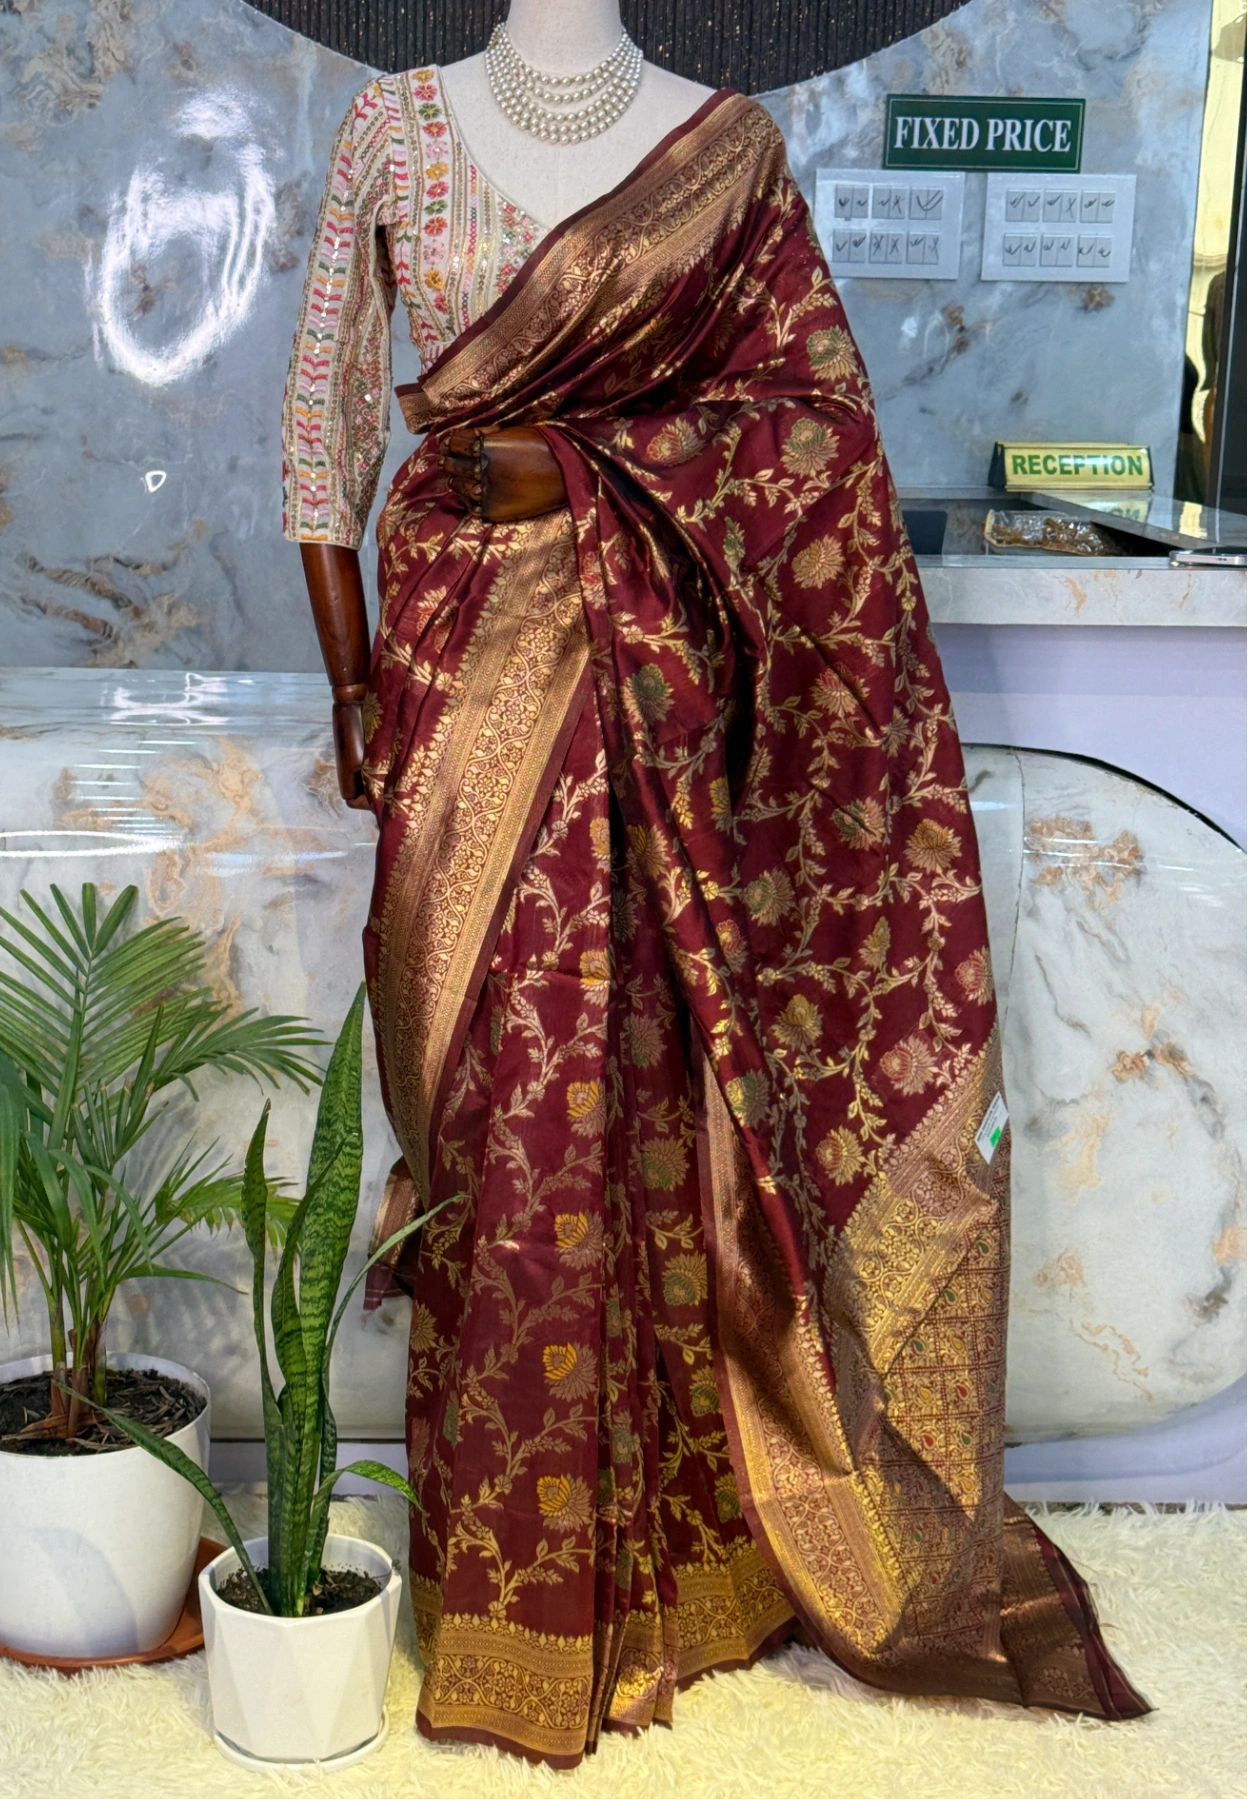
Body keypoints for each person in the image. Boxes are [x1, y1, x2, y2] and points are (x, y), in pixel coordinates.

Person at [282, 0, 1149, 1766]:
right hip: (454, 669)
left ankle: (683, 1567)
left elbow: (811, 437)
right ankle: (508, 1575)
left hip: (667, 710)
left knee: (656, 1108)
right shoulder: (394, 131)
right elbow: (321, 432)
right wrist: (354, 681)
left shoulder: (726, 152)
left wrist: (590, 475)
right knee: (491, 1110)